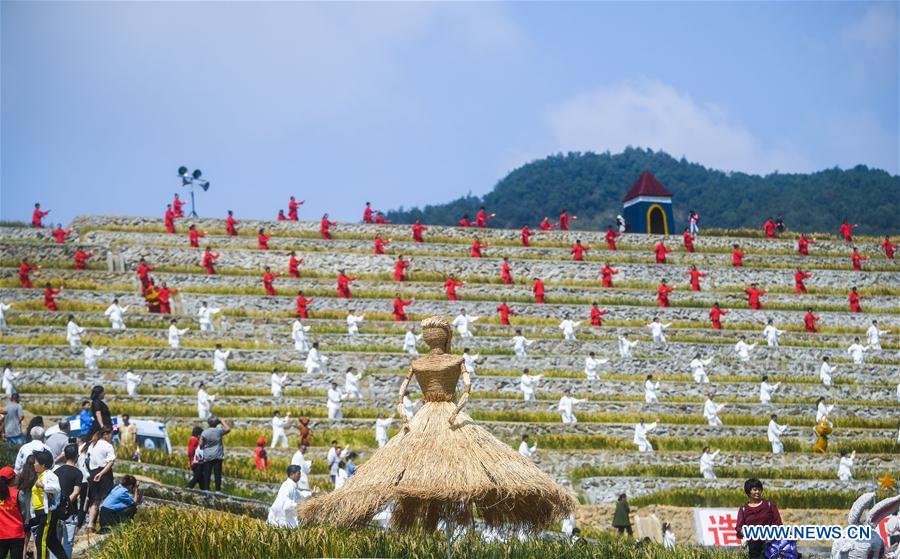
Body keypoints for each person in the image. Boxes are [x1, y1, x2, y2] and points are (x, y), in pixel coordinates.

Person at [29, 450, 67, 558]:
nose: (34, 464)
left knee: (41, 541)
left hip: (47, 513)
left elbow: (56, 488)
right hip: (40, 513)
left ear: (43, 465)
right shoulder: (42, 475)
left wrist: (43, 487)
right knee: (51, 541)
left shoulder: (49, 475)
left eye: (36, 462)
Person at [735, 478, 783, 559]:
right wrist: (745, 532)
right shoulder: (743, 509)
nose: (757, 492)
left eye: (759, 489)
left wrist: (771, 533)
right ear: (748, 492)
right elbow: (739, 527)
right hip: (753, 546)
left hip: (770, 544)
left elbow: (778, 523)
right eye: (755, 489)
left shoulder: (769, 505)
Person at [55, 445, 82, 557]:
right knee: (68, 542)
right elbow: (76, 492)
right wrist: (66, 504)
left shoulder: (56, 471)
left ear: (65, 456)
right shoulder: (78, 473)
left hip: (56, 512)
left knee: (55, 542)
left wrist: (60, 505)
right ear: (77, 456)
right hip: (70, 511)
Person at [86, 428, 116, 531]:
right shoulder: (108, 446)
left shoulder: (93, 444)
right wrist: (101, 473)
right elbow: (111, 462)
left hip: (92, 473)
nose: (112, 436)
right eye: (111, 434)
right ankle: (104, 524)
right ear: (106, 434)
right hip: (104, 475)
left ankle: (90, 524)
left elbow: (88, 459)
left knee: (95, 501)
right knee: (106, 500)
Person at [200, 417, 230, 492]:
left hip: (208, 455)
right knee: (217, 474)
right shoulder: (219, 431)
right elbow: (228, 429)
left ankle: (206, 489)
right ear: (217, 423)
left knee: (207, 473)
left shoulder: (204, 432)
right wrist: (222, 422)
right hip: (217, 455)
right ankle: (218, 490)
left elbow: (200, 444)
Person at [0, 466, 25, 558]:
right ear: (12, 479)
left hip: (1, 533)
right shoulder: (18, 493)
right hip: (16, 533)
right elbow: (23, 513)